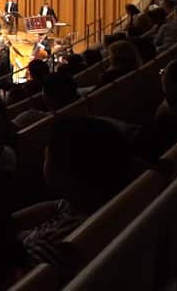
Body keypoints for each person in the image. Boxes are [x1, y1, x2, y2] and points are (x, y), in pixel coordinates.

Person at [14, 116, 132, 277]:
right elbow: (56, 206)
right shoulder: (88, 201)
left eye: (47, 156)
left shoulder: (47, 249)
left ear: (61, 174)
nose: (44, 161)